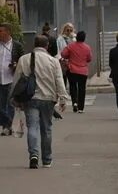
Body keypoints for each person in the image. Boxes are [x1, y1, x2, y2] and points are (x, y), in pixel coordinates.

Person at [11, 34, 68, 169]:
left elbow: (16, 80)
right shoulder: (53, 61)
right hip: (48, 99)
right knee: (46, 129)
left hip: (30, 99)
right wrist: (63, 99)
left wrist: (14, 97)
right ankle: (47, 160)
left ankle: (34, 155)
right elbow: (59, 80)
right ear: (47, 46)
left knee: (32, 127)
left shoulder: (24, 59)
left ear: (34, 45)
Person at [60, 30, 92, 113]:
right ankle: (81, 108)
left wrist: (69, 56)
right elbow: (89, 59)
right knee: (82, 89)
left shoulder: (70, 46)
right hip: (83, 71)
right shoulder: (87, 47)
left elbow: (63, 54)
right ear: (84, 38)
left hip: (72, 70)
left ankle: (74, 102)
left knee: (73, 86)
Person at [0, 22, 23, 136]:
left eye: (1, 31)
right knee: (1, 105)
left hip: (11, 79)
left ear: (8, 32)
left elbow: (23, 60)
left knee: (9, 104)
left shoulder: (17, 45)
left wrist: (15, 65)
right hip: (0, 78)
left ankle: (6, 127)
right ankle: (8, 122)